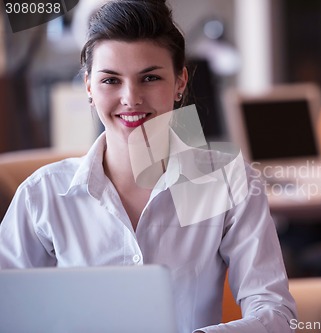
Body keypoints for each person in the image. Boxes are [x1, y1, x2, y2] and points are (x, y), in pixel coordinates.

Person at [0, 0, 297, 332]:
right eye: (111, 80)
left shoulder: (229, 180)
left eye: (150, 77)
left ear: (180, 82)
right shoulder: (42, 196)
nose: (131, 97)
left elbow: (274, 312)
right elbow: (7, 311)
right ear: (88, 86)